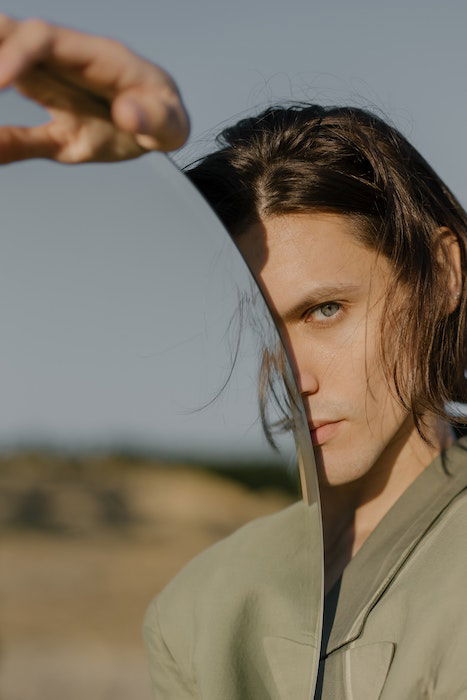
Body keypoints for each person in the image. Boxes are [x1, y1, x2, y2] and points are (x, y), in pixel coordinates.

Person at [1, 14, 466, 699]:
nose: (295, 375)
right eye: (268, 331)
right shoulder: (204, 607)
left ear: (444, 273)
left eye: (325, 310)